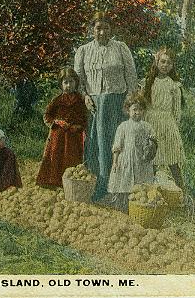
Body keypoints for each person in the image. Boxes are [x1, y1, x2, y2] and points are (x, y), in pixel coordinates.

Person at [74, 12, 138, 202]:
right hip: (94, 104)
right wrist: (85, 96)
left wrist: (129, 100)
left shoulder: (120, 48)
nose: (102, 32)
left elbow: (131, 74)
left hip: (117, 102)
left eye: (106, 28)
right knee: (97, 143)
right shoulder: (84, 51)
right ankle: (99, 183)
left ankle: (118, 185)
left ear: (112, 30)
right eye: (98, 28)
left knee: (117, 143)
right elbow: (78, 79)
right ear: (91, 29)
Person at [142, 47, 186, 189]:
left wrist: (173, 127)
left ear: (172, 66)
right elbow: (142, 105)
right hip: (151, 123)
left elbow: (176, 111)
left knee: (172, 159)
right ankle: (152, 193)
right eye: (162, 61)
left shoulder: (173, 86)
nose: (165, 65)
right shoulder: (148, 82)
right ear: (157, 62)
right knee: (151, 159)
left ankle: (181, 192)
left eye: (169, 63)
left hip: (167, 124)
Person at [36, 68, 88, 187]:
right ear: (61, 84)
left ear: (76, 83)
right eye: (65, 82)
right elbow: (47, 115)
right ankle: (55, 180)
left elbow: (84, 117)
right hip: (58, 135)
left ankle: (71, 180)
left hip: (74, 135)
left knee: (71, 157)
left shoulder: (80, 100)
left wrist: (79, 126)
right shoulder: (57, 100)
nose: (68, 85)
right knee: (56, 154)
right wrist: (57, 122)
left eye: (71, 82)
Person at [108, 92, 157, 212]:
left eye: (140, 110)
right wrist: (115, 162)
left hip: (141, 160)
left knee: (141, 185)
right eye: (134, 109)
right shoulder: (123, 126)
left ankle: (138, 208)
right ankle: (122, 206)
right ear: (128, 110)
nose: (137, 112)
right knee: (124, 182)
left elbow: (153, 143)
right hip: (126, 159)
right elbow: (117, 146)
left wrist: (152, 147)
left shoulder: (147, 126)